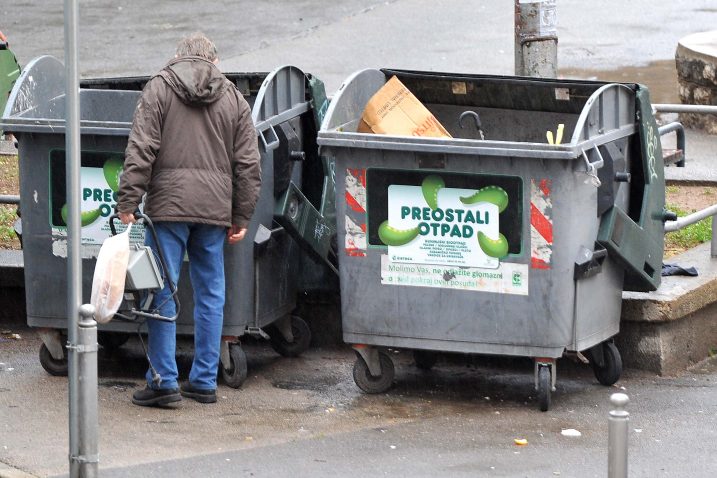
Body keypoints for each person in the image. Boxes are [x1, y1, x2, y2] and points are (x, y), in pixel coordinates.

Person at [117, 33, 261, 407]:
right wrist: (241, 213)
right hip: (214, 211)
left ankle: (163, 380)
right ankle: (204, 381)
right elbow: (248, 162)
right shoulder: (232, 97)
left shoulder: (159, 88)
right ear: (214, 60)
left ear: (178, 57)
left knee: (162, 288)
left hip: (168, 207)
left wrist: (128, 200)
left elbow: (141, 147)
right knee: (211, 292)